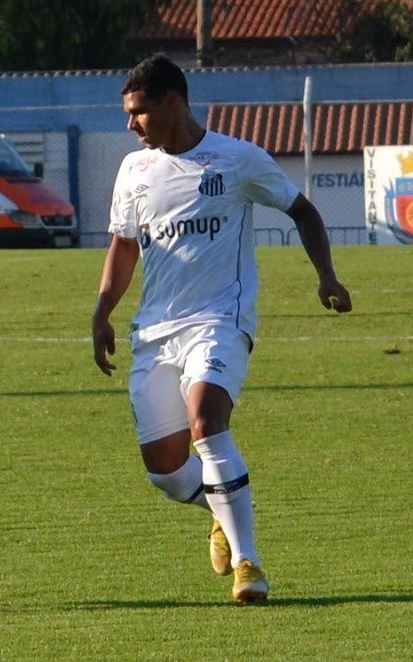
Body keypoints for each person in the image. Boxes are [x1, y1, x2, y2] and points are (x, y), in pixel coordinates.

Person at [91, 55, 353, 604]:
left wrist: (326, 275)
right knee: (164, 469)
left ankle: (248, 563)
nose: (130, 125)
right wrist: (102, 311)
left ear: (172, 103)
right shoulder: (134, 171)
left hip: (220, 321)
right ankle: (217, 504)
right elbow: (122, 246)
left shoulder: (237, 160)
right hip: (155, 332)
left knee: (207, 421)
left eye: (138, 113)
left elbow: (304, 212)